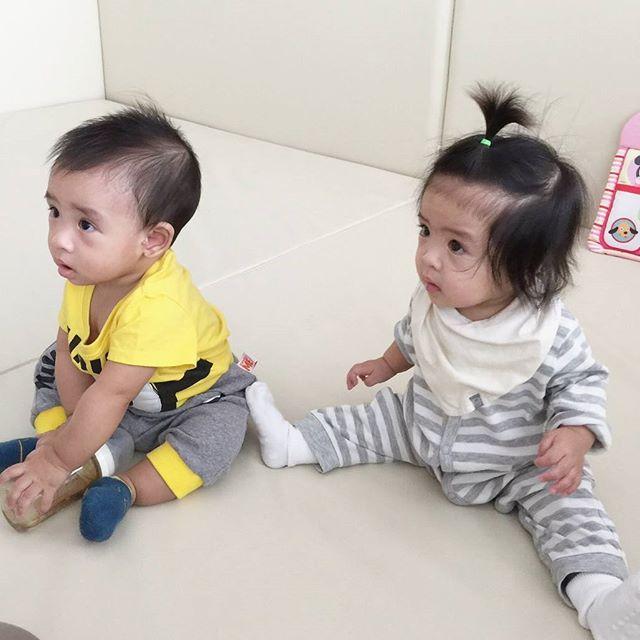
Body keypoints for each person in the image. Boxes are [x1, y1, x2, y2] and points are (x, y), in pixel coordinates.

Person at [246, 86, 640, 639]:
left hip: (518, 461)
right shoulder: (437, 300)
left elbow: (582, 382)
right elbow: (414, 338)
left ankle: (600, 598)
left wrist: (574, 435)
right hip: (424, 426)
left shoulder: (546, 334)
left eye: (457, 246)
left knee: (571, 510)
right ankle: (292, 444)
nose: (429, 256)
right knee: (369, 420)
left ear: (526, 269)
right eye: (425, 230)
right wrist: (386, 364)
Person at [0, 104, 255, 541]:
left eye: (85, 223)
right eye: (55, 211)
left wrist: (59, 463)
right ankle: (58, 438)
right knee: (51, 364)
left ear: (152, 240)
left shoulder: (158, 308)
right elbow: (69, 348)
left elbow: (112, 394)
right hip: (113, 382)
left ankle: (127, 486)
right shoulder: (86, 270)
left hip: (187, 397)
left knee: (220, 434)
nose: (60, 239)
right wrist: (71, 427)